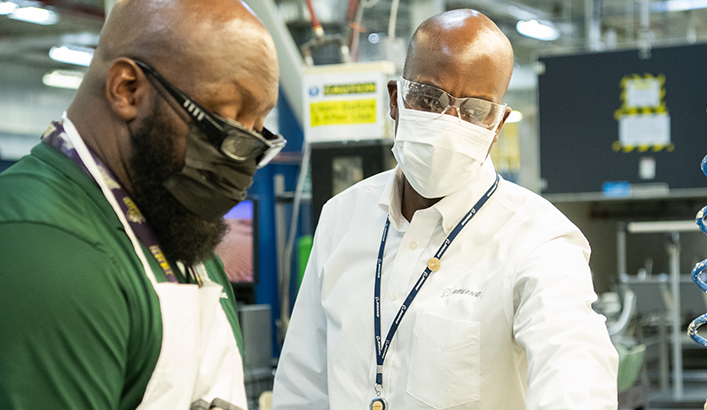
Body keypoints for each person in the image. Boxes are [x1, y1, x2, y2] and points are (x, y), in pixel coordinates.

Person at [271, 9, 618, 410]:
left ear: (497, 125)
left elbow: (575, 376)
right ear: (396, 101)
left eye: (474, 110)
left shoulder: (538, 241)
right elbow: (303, 386)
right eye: (429, 98)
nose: (449, 123)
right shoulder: (342, 217)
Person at [0, 0, 284, 408]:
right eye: (226, 123)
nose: (243, 164)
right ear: (127, 90)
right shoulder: (46, 249)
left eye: (257, 133)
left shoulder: (181, 231)